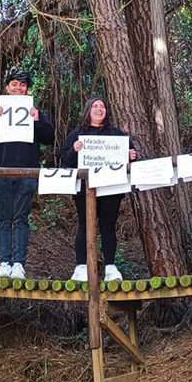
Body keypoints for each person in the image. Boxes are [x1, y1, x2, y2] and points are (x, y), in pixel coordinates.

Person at [0, 69, 55, 280]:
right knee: (3, 219)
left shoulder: (35, 112)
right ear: (7, 87)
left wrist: (38, 121)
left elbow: (49, 138)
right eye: (14, 84)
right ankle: (4, 263)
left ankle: (19, 264)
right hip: (0, 173)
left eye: (23, 85)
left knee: (21, 219)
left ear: (28, 88)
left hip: (26, 174)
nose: (18, 88)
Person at [59, 96, 137, 283]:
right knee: (85, 225)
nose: (99, 109)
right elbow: (65, 160)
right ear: (88, 110)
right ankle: (81, 268)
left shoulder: (117, 134)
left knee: (108, 226)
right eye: (95, 106)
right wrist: (74, 150)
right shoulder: (78, 133)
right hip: (85, 188)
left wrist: (132, 155)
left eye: (102, 106)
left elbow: (132, 156)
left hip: (111, 188)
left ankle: (110, 267)